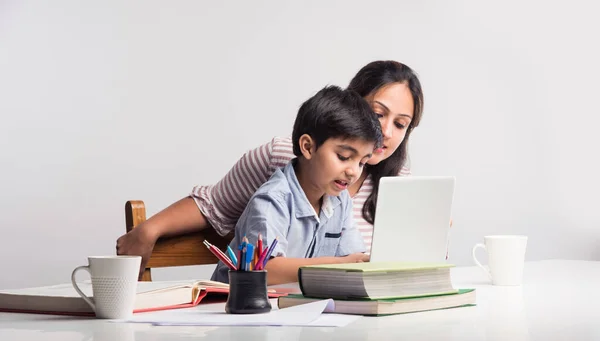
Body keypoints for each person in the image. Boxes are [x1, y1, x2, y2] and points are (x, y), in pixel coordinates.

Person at [116, 60, 424, 279]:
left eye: (400, 124)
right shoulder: (275, 188)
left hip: (311, 307)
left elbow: (354, 257)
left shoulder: (349, 195)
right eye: (378, 114)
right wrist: (150, 228)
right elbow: (217, 210)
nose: (385, 131)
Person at [212, 85, 381, 284]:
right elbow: (266, 268)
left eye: (362, 162)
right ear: (308, 147)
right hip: (231, 304)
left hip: (293, 306)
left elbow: (354, 257)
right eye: (344, 157)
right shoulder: (272, 200)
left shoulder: (340, 200)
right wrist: (338, 265)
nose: (354, 171)